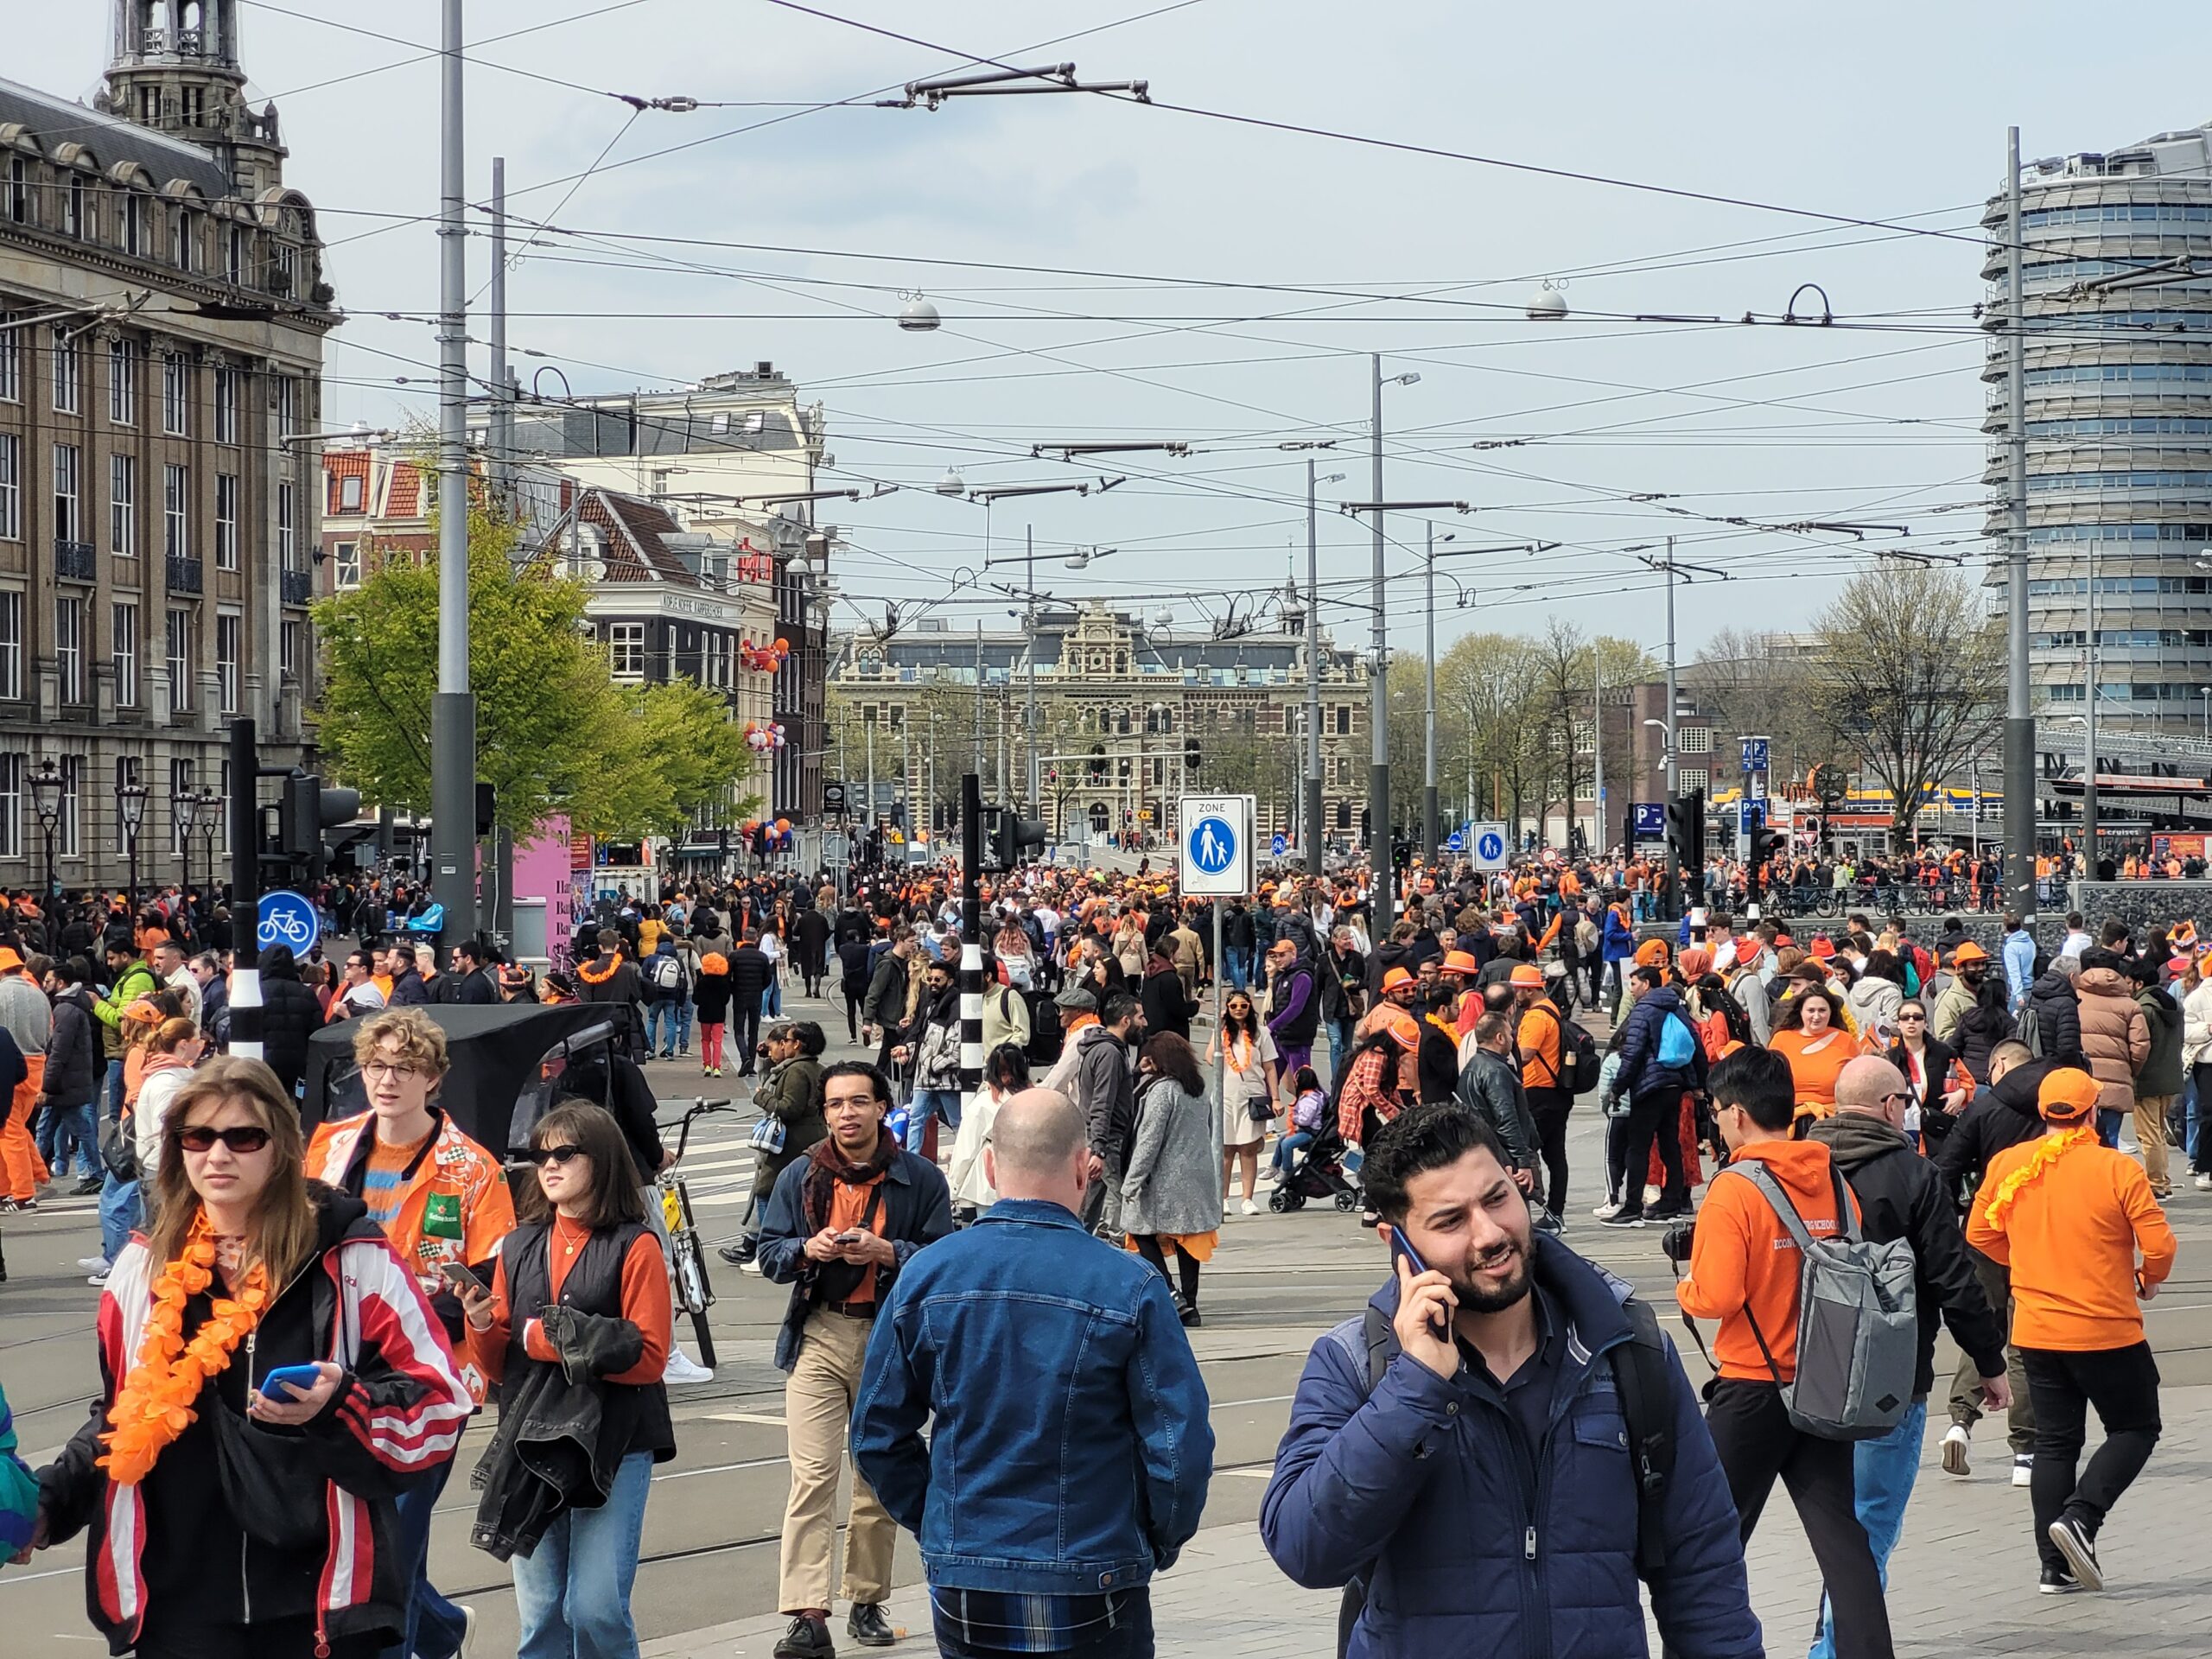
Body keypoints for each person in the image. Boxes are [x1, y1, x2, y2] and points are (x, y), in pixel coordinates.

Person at [1261, 1103, 1760, 1659]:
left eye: (1498, 1199)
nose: (1490, 1233)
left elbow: (1703, 1568)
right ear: (1396, 1244)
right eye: (1451, 1221)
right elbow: (1307, 1550)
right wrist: (1416, 1386)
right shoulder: (1356, 1362)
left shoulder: (1625, 1347)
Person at [24, 1057, 473, 1657]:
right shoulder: (141, 1269)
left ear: (281, 1148)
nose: (217, 1155)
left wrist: (343, 1404)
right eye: (198, 1137)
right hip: (178, 1600)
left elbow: (442, 1404)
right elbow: (119, 1417)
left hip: (315, 1604)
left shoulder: (351, 1260)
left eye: (243, 1137)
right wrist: (50, 1505)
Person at [853, 1088, 1213, 1659]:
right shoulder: (1132, 1284)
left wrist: (938, 1521)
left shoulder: (925, 1276)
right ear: (1083, 1167)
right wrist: (1154, 1538)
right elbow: (1177, 1446)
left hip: (968, 1571)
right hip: (1094, 1568)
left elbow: (875, 1433)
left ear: (992, 1166)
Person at [1673, 1046, 1895, 1659]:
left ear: (1739, 1114)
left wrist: (1682, 1281)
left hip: (1752, 1385)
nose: (1716, 1121)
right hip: (1824, 1381)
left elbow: (1715, 1296)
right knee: (1840, 1534)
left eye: (1717, 1111)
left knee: (1711, 1533)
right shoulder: (1831, 1177)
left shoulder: (1734, 1189)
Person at [307, 1007, 515, 1659]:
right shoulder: (329, 1146)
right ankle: (444, 1632)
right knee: (358, 1540)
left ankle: (413, 1639)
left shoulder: (472, 1168)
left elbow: (487, 1279)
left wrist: (413, 1312)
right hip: (339, 1371)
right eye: (376, 1065)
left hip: (429, 1378)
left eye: (405, 1067)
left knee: (391, 1541)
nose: (387, 1079)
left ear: (433, 1079)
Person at [1802, 1055, 2011, 1659]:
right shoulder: (1915, 1176)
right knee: (1868, 1526)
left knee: (1835, 1526)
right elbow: (1954, 1281)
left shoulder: (1794, 1167)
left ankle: (1830, 1634)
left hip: (1799, 1372)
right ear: (1892, 1106)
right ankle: (1835, 1646)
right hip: (1887, 1379)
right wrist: (1989, 1365)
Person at [460, 1100, 675, 1658]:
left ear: (600, 1160)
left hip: (614, 1441)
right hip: (533, 1440)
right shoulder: (519, 1244)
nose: (548, 1165)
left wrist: (539, 1339)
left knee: (595, 1607)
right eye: (539, 1155)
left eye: (564, 1153)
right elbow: (495, 1366)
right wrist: (481, 1321)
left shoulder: (636, 1243)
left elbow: (650, 1357)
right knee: (542, 1615)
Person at [758, 1061, 953, 1658]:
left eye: (858, 1102)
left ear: (880, 1108)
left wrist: (888, 1251)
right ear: (825, 1112)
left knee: (876, 1476)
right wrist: (804, 1249)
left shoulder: (919, 1179)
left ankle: (867, 1600)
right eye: (836, 1104)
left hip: (889, 1341)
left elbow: (945, 1260)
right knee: (813, 1476)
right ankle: (807, 1614)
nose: (847, 1114)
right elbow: (769, 1252)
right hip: (818, 1334)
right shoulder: (801, 1175)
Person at [1967, 1067, 2177, 1593]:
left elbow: (1979, 1231)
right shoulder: (2115, 1169)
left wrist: (2023, 1261)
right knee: (2135, 1428)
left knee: (2055, 1444)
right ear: (2090, 1111)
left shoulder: (2009, 1164)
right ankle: (2082, 1517)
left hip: (2036, 1329)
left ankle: (2053, 1568)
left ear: (2043, 1112)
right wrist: (2147, 1281)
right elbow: (2161, 1246)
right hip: (2105, 1328)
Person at [1122, 1033, 1221, 1327]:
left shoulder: (1163, 1092)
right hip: (1198, 1176)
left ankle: (1170, 1292)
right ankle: (1190, 1303)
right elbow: (1210, 1129)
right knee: (1189, 1239)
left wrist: (1133, 1181)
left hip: (1166, 1179)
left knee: (1139, 1229)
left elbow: (1149, 1141)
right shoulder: (1199, 1090)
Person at [1603, 963, 1707, 1227]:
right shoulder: (1677, 1007)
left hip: (1648, 1086)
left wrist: (1618, 1087)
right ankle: (1671, 1202)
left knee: (1638, 1146)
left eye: (1635, 984)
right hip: (1674, 1085)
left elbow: (1633, 1053)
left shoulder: (1643, 1011)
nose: (1632, 990)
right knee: (1670, 1143)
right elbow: (1696, 1047)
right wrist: (1698, 1082)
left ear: (1647, 984)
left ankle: (1632, 1207)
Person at [720, 1020, 829, 1269]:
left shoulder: (796, 1071)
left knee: (766, 1189)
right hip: (810, 1138)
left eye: (787, 1041)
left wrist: (761, 1096)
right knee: (796, 1192)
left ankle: (765, 1250)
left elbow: (789, 1108)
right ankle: (765, 1244)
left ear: (797, 1044)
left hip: (790, 1143)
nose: (784, 1045)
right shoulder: (815, 1068)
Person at [1452, 1012, 1542, 1202]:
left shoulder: (1473, 1066)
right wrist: (1523, 1161)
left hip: (1485, 1152)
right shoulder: (1496, 1071)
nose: (1512, 1038)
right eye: (1510, 1034)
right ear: (1499, 1038)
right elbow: (1506, 1119)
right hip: (1503, 1156)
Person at [1073, 993, 1142, 1237]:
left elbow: (1108, 1089)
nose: (1144, 1023)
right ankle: (1138, 1242)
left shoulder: (1105, 1049)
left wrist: (1133, 1073)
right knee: (1125, 1195)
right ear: (1125, 1021)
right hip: (1106, 1138)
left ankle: (1078, 1240)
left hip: (1100, 1136)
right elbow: (1102, 1101)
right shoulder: (1110, 1053)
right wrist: (1100, 1149)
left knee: (1091, 1201)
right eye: (1140, 1017)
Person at [1208, 990, 1279, 1217]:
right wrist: (1218, 1028)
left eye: (1243, 1006)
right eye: (1234, 1006)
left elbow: (1270, 1067)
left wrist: (1275, 1097)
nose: (1238, 1010)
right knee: (1226, 1149)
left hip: (1252, 1095)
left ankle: (1248, 1198)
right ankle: (1224, 1198)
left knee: (1248, 1149)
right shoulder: (1222, 1033)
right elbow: (1210, 1058)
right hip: (1226, 1096)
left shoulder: (1261, 1033)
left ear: (1250, 1007)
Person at [2073, 949, 2148, 1150]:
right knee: (2111, 1142)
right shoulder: (2130, 1005)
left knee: (2078, 1142)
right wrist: (2129, 1071)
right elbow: (2140, 1047)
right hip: (2116, 1082)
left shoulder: (2073, 998)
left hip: (2080, 1081)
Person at [949, 1043, 1031, 1223]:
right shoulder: (1036, 1100)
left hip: (989, 1185)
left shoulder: (983, 1104)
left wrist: (954, 1187)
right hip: (1029, 1182)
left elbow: (966, 1150)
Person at [1768, 984, 1859, 1128]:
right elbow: (1768, 1083)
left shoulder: (1846, 1041)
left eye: (1822, 1010)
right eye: (1811, 1010)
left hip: (1833, 1123)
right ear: (1801, 1012)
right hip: (1787, 1121)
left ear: (1831, 1012)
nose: (1816, 1016)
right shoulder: (1781, 1040)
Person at [1266, 1065, 1328, 1185]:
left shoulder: (1310, 1100)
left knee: (1287, 1144)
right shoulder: (1312, 1095)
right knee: (1282, 1139)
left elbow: (1305, 1120)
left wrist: (1295, 1118)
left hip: (1310, 1132)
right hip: (1305, 1129)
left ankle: (1287, 1170)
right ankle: (1274, 1166)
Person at [692, 950, 733, 1078]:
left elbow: (695, 1000)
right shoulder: (724, 983)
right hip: (719, 1014)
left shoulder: (702, 982)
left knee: (705, 1040)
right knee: (717, 1041)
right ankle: (717, 1067)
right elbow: (726, 1000)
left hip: (704, 1014)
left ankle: (707, 1065)